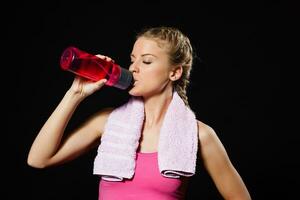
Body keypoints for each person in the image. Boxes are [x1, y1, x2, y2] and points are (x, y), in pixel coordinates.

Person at [27, 26, 252, 200]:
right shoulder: (107, 121)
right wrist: (75, 93)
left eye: (146, 61)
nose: (133, 68)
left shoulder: (199, 134)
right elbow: (38, 159)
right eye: (133, 60)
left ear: (174, 72)